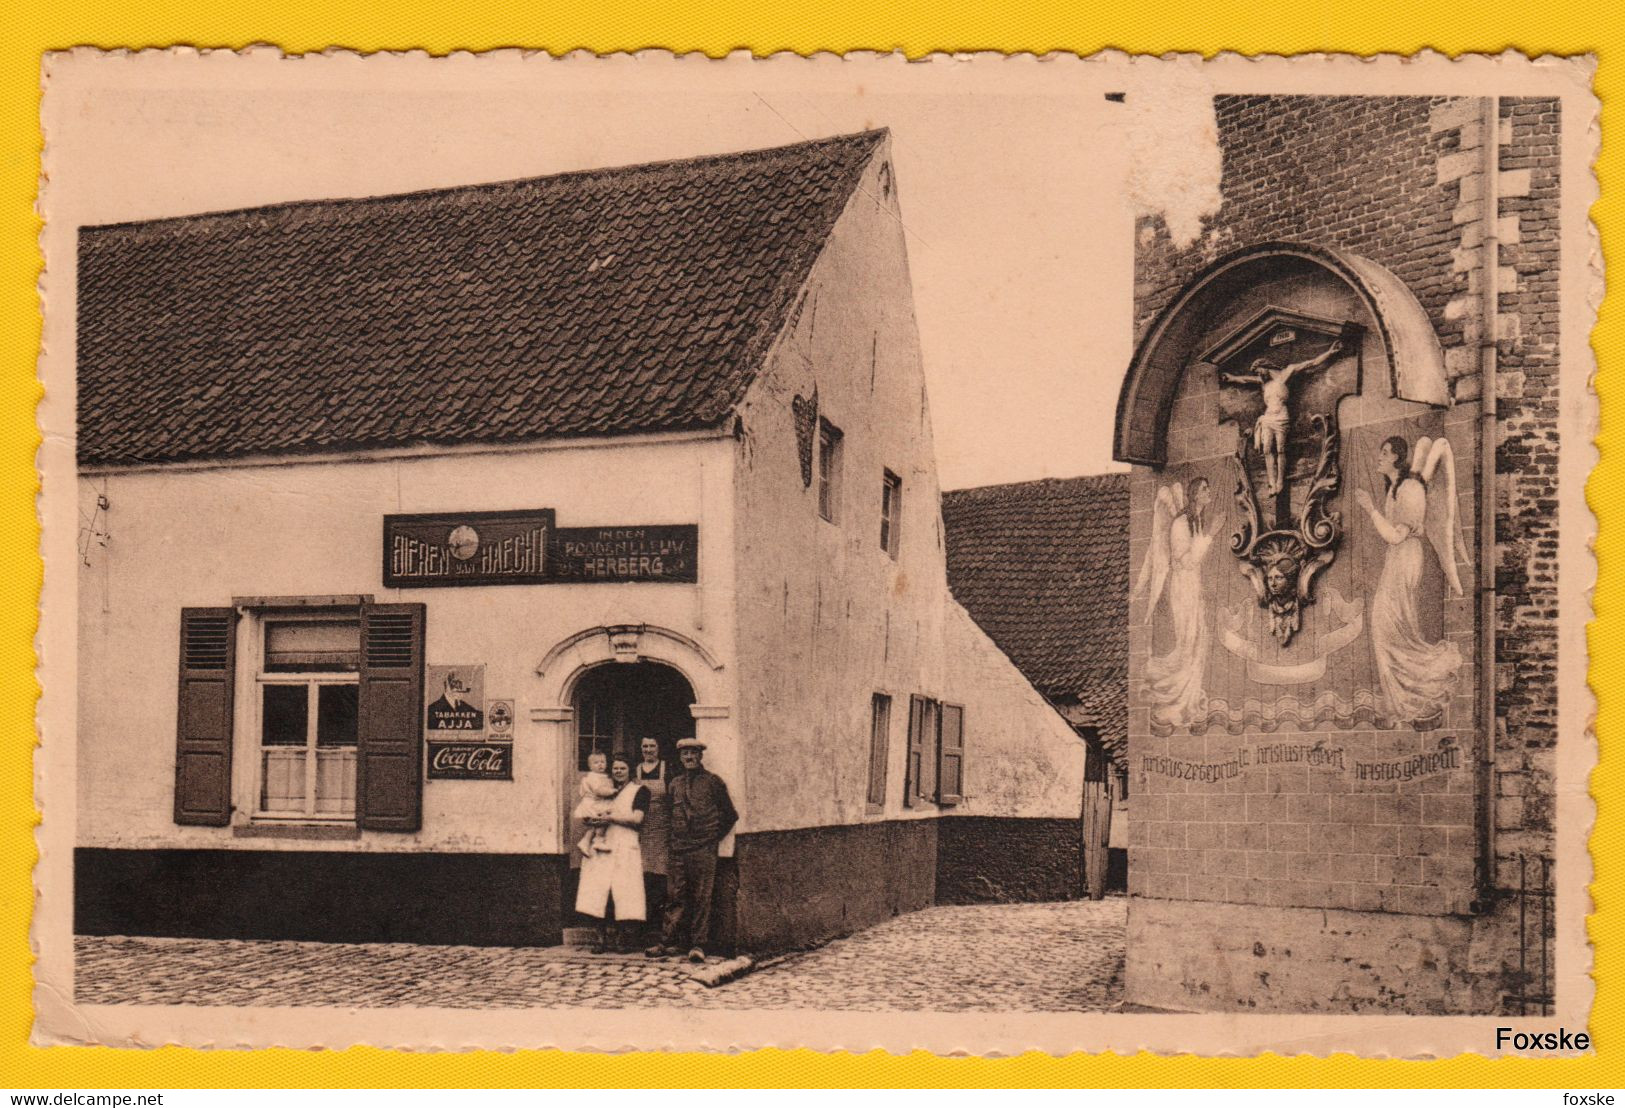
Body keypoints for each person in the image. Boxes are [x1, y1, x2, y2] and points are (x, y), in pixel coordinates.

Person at [1354, 435, 1465, 724]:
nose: (1379, 457)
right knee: (1386, 626)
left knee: (1389, 623)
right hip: (1397, 560)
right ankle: (1400, 704)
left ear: (1397, 458)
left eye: (1385, 452)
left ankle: (1416, 692)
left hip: (1405, 559)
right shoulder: (1394, 489)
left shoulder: (1412, 489)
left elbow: (1395, 535)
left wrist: (1370, 509)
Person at [646, 737, 737, 964]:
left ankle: (698, 945)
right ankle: (667, 942)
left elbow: (730, 814)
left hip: (703, 850)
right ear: (680, 757)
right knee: (674, 896)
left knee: (701, 897)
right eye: (685, 754)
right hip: (678, 850)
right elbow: (669, 814)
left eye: (693, 753)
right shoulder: (675, 783)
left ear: (700, 756)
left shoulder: (713, 782)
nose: (689, 757)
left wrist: (711, 839)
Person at [1220, 339, 1343, 495]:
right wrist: (1231, 378)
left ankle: (1280, 482)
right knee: (1266, 450)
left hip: (1281, 416)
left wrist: (1330, 352)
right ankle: (1272, 484)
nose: (1258, 375)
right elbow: (1244, 379)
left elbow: (1311, 363)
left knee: (1280, 449)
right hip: (1268, 418)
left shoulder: (1286, 374)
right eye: (1257, 374)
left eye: (1259, 371)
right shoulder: (1263, 382)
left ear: (1265, 367)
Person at [574, 753, 648, 953]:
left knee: (625, 894)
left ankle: (623, 940)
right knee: (597, 893)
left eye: (622, 768)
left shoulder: (640, 791)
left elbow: (637, 819)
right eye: (615, 768)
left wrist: (612, 818)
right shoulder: (604, 789)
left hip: (625, 845)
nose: (618, 772)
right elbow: (589, 813)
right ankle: (601, 940)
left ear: (630, 770)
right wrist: (592, 821)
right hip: (601, 846)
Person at [634, 736, 672, 922]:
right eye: (645, 746)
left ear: (658, 748)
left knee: (661, 874)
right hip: (641, 828)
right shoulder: (636, 770)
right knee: (642, 874)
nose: (648, 750)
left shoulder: (667, 769)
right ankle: (645, 921)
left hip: (662, 828)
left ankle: (659, 921)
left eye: (652, 746)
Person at [573, 750, 618, 855]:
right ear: (590, 766)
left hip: (597, 803)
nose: (600, 764)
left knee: (596, 825)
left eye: (603, 762)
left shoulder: (603, 776)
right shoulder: (593, 777)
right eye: (596, 762)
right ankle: (598, 841)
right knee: (602, 821)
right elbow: (599, 790)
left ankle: (585, 842)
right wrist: (613, 791)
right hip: (594, 804)